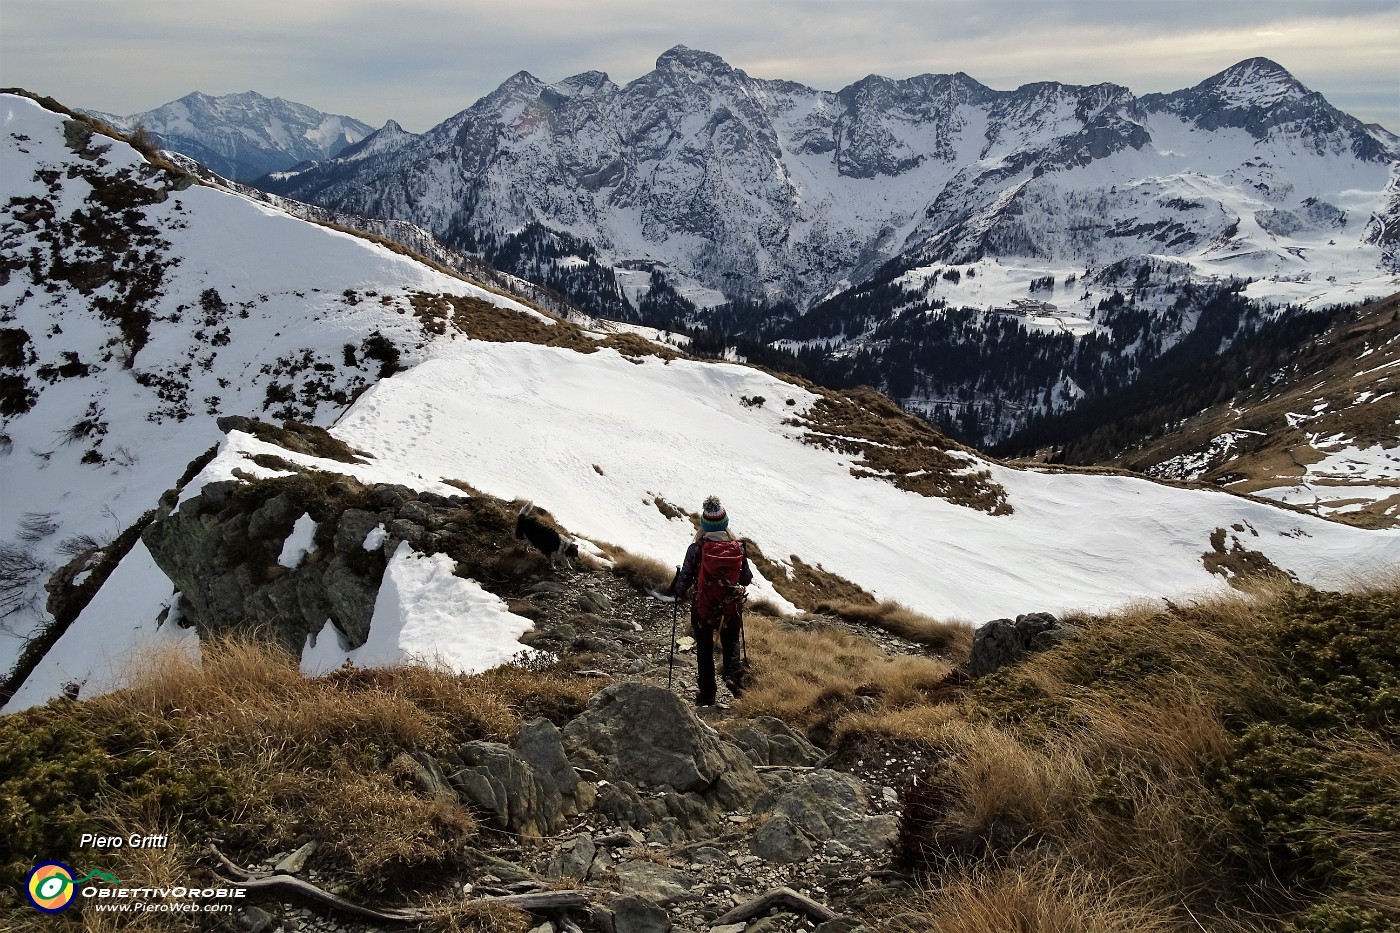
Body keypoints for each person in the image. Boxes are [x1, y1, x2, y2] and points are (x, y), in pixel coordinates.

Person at [673, 496, 753, 706]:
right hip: (731, 605)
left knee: (705, 649)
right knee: (731, 641)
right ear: (725, 523)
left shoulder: (697, 549)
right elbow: (746, 578)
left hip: (704, 607)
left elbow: (683, 583)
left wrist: (680, 587)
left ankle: (707, 693)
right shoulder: (738, 548)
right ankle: (733, 678)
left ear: (704, 525)